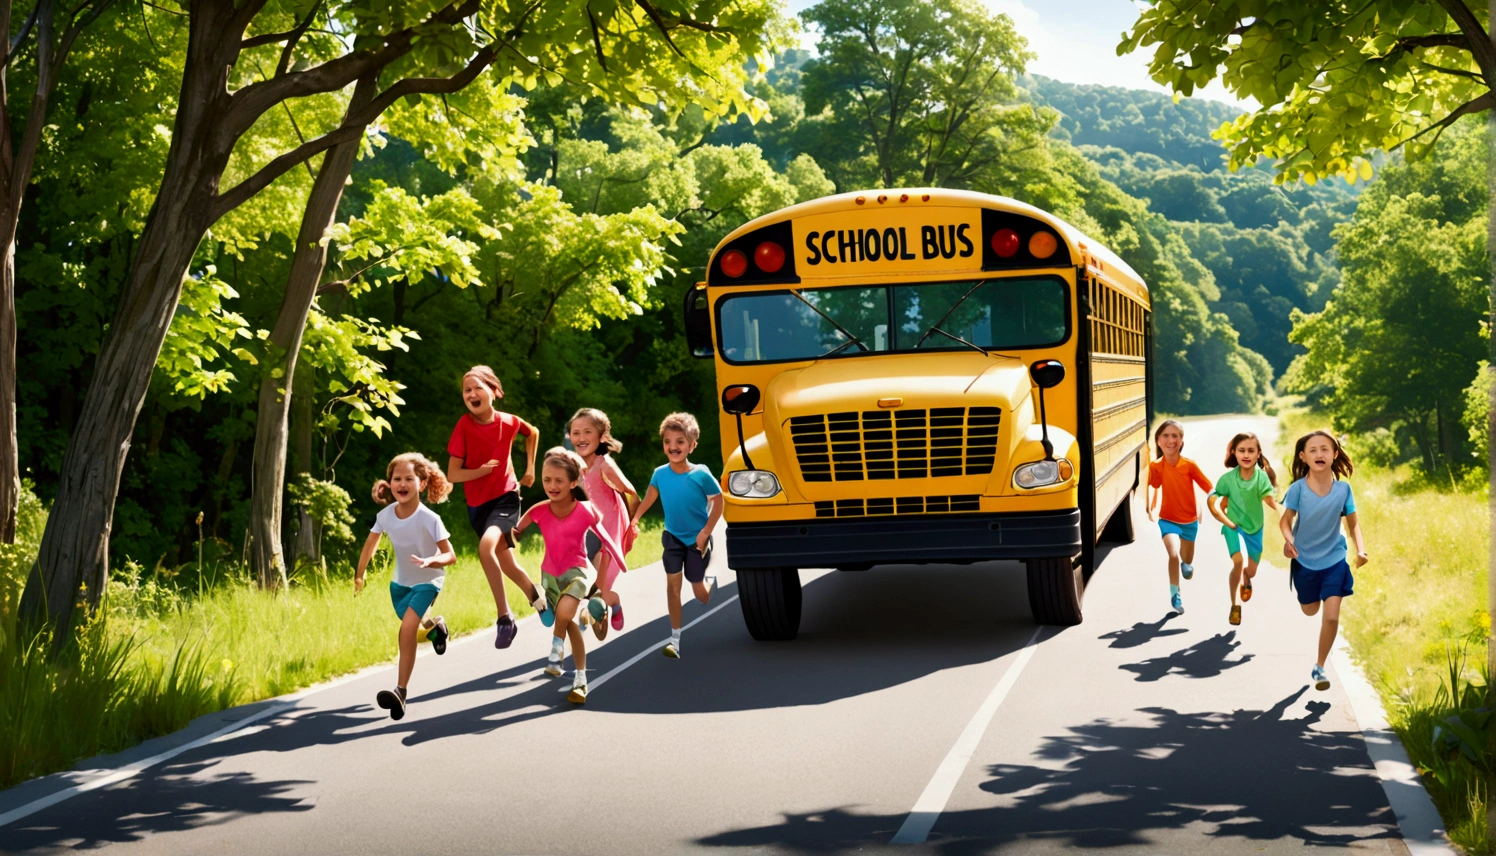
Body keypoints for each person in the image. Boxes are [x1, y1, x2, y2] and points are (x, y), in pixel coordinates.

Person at [513, 448, 629, 704]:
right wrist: (506, 536)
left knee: (565, 614)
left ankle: (556, 653)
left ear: (573, 483)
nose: (551, 486)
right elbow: (515, 531)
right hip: (549, 576)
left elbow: (607, 542)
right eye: (547, 480)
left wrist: (605, 574)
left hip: (578, 572)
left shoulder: (587, 510)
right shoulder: (538, 510)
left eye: (559, 481)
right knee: (569, 624)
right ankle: (580, 679)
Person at [442, 365, 547, 649]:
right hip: (477, 506)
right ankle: (537, 597)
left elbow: (532, 432)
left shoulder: (509, 422)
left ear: (494, 391)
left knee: (486, 549)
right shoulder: (464, 426)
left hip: (506, 497)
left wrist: (530, 470)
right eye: (467, 390)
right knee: (506, 562)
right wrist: (481, 470)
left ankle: (504, 618)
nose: (472, 394)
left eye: (478, 388)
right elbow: (453, 474)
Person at [355, 453, 456, 721]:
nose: (402, 483)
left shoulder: (429, 518)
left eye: (408, 478)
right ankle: (437, 630)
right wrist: (359, 574)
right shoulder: (386, 515)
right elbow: (370, 544)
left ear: (421, 484)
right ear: (389, 484)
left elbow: (451, 555)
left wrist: (432, 560)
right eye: (396, 479)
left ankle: (401, 691)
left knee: (407, 628)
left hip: (429, 579)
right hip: (400, 585)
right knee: (418, 623)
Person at [629, 412, 724, 659]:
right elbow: (649, 497)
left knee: (700, 596)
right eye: (668, 442)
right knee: (672, 588)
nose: (673, 447)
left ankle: (709, 580)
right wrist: (635, 520)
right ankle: (675, 640)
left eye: (680, 441)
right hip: (672, 537)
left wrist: (706, 533)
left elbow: (719, 501)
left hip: (697, 540)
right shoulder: (660, 473)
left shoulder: (701, 474)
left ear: (692, 445)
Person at [1280, 430, 1367, 692]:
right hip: (1305, 561)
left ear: (1335, 454)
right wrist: (1288, 540)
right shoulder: (1297, 490)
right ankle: (1309, 598)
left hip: (1334, 560)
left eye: (1325, 449)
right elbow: (1285, 520)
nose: (1319, 454)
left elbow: (1353, 525)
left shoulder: (1343, 490)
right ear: (1303, 457)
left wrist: (1360, 550)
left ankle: (1319, 666)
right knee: (1310, 609)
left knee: (1330, 617)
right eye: (1313, 450)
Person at [568, 408, 640, 641]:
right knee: (588, 584)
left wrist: (633, 524)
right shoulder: (577, 466)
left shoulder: (604, 464)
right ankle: (607, 605)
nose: (581, 438)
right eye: (576, 432)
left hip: (609, 532)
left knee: (599, 585)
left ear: (601, 436)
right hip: (590, 531)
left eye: (587, 432)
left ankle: (609, 605)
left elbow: (632, 494)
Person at [1206, 432, 1280, 626]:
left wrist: (1283, 510)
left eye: (1250, 451)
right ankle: (1235, 606)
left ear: (1258, 454)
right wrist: (1219, 509)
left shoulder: (1261, 478)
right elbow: (1215, 498)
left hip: (1255, 528)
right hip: (1233, 525)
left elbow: (1269, 499)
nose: (1246, 455)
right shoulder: (1228, 479)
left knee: (1251, 570)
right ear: (1234, 453)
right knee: (1238, 561)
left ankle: (1247, 577)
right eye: (1241, 451)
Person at [1147, 419, 1212, 615]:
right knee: (1173, 555)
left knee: (1187, 562)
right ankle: (1175, 594)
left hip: (1189, 522)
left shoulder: (1189, 466)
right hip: (1167, 520)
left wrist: (1220, 500)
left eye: (1175, 436)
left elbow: (1209, 487)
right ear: (1158, 441)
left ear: (1181, 441)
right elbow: (1152, 487)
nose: (1171, 440)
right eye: (1166, 436)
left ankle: (1188, 564)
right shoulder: (1155, 466)